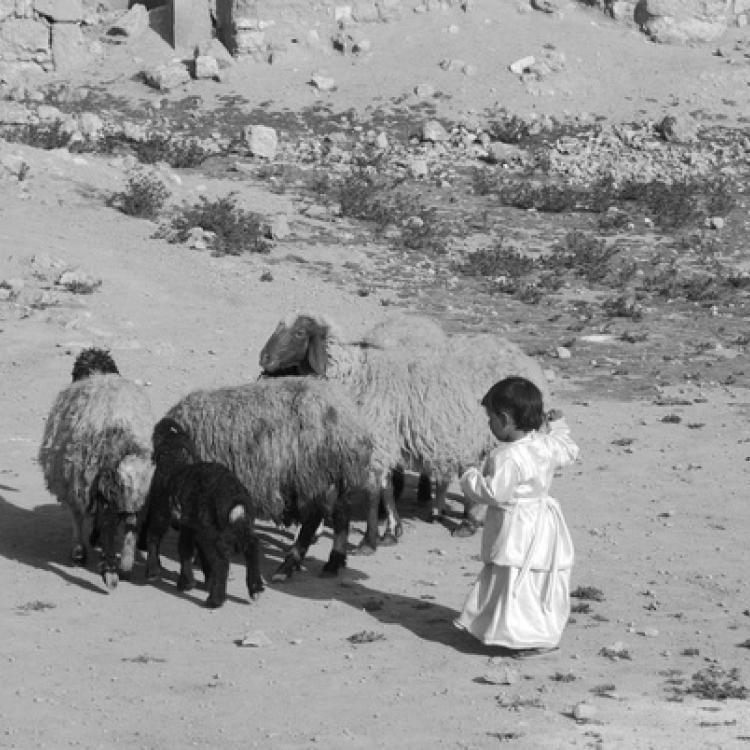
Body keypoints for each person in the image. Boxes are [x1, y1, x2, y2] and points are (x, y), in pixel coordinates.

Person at [454, 376, 580, 651]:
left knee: (513, 577)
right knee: (536, 577)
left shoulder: (507, 456)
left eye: (490, 418)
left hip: (516, 526)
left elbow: (494, 493)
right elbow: (568, 451)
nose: (489, 424)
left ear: (505, 419)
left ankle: (520, 636)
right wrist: (558, 426)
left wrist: (468, 475)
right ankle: (540, 632)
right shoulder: (544, 443)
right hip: (543, 523)